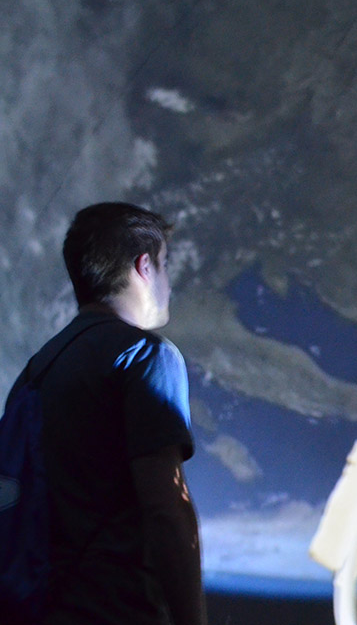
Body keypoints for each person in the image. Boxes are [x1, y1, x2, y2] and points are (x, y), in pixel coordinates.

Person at [7, 202, 206, 625]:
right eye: (164, 264)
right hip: (115, 610)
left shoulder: (36, 371)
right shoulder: (145, 355)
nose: (168, 281)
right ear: (144, 268)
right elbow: (167, 509)